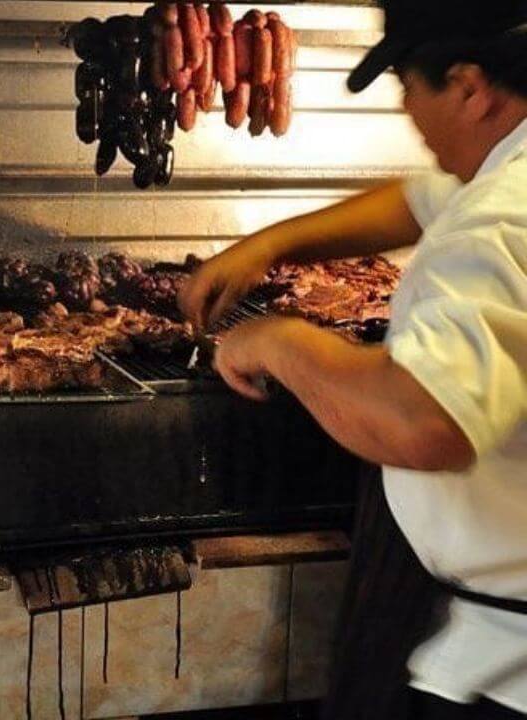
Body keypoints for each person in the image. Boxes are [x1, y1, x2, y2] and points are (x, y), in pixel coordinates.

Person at [177, 1, 527, 718]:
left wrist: (284, 340)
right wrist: (272, 244)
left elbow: (424, 420)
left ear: (469, 87)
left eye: (407, 85)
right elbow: (421, 200)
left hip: (506, 670)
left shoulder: (498, 220)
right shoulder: (507, 178)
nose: (406, 110)